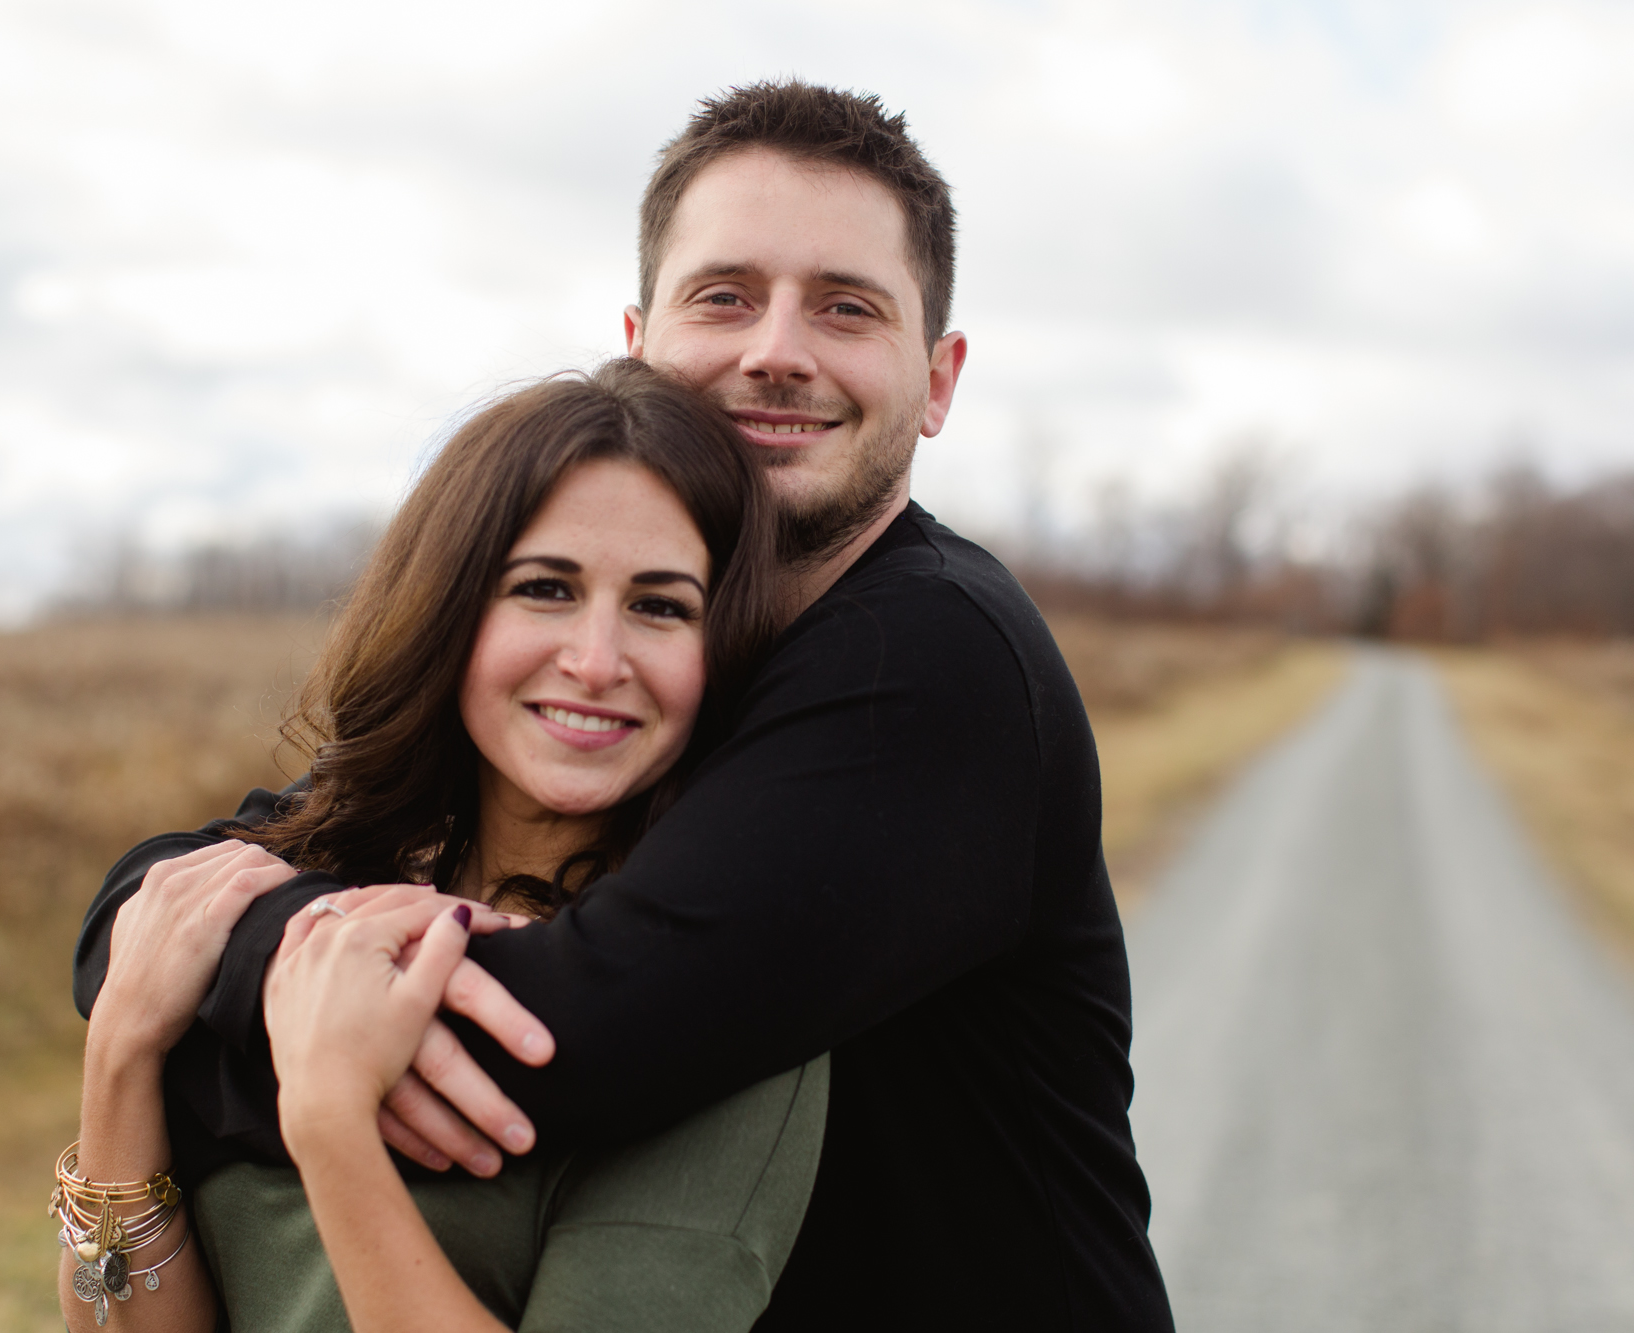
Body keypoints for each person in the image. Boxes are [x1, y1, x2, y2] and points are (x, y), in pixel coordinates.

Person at [77, 81, 1174, 1328]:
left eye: (845, 307)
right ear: (636, 344)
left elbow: (560, 1044)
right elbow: (191, 879)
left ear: (935, 381)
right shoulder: (656, 670)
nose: (775, 348)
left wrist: (211, 1013)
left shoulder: (926, 658)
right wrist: (167, 948)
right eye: (724, 295)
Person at [59, 360, 827, 1332]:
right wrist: (122, 1051)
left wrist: (332, 1123)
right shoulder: (304, 884)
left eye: (660, 605)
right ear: (450, 611)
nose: (595, 661)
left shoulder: (730, 1003)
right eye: (545, 588)